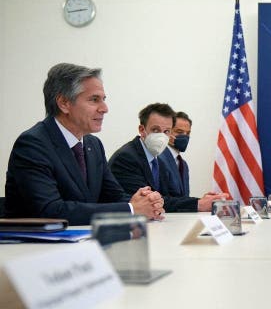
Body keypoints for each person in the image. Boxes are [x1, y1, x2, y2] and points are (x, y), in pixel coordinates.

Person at [4, 63, 164, 225]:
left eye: (104, 99)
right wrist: (131, 209)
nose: (104, 108)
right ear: (64, 103)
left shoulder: (93, 144)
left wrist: (146, 201)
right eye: (94, 100)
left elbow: (113, 196)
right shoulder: (33, 144)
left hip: (82, 242)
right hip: (32, 247)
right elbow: (50, 210)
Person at [108, 103, 228, 212]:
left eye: (166, 131)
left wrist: (203, 200)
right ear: (142, 129)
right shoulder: (127, 157)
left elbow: (170, 198)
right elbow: (149, 202)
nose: (161, 136)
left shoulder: (158, 161)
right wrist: (198, 204)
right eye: (155, 130)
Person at [159, 111, 192, 197]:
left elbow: (184, 198)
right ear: (167, 132)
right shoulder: (158, 159)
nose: (185, 136)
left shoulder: (184, 165)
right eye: (179, 132)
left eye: (188, 133)